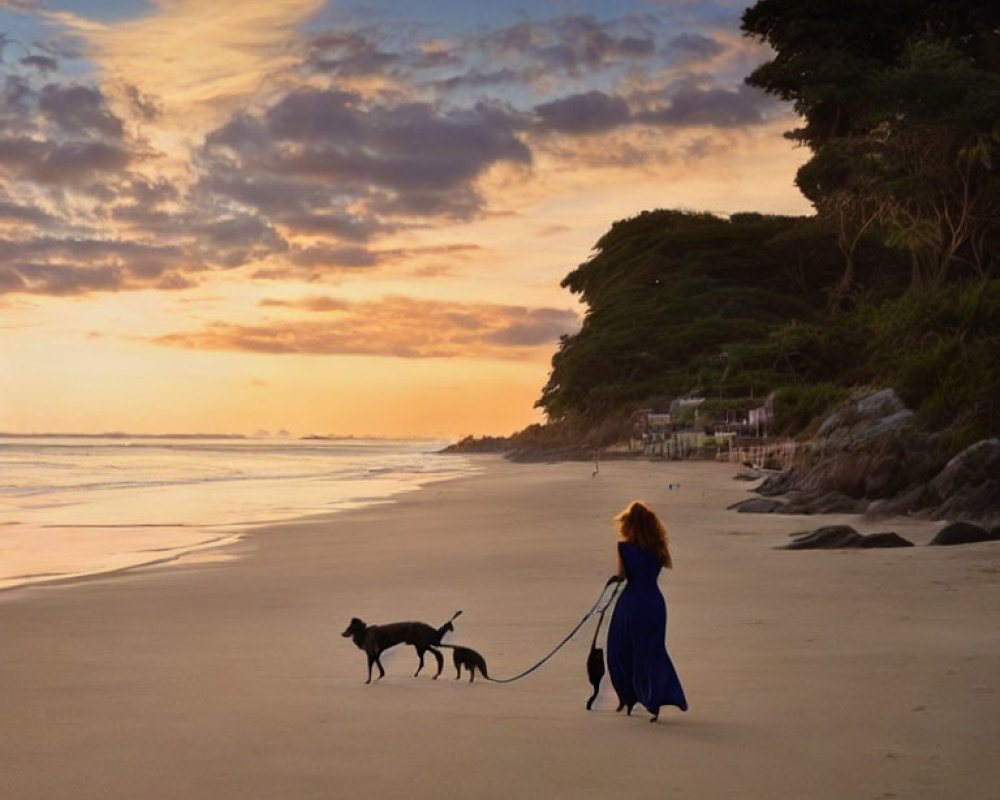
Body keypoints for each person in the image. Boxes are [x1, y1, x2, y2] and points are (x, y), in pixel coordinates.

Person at [606, 500, 688, 722]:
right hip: (653, 603)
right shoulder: (658, 550)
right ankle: (656, 697)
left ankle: (629, 697)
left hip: (631, 604)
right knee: (651, 651)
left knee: (619, 649)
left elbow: (622, 576)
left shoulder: (624, 548)